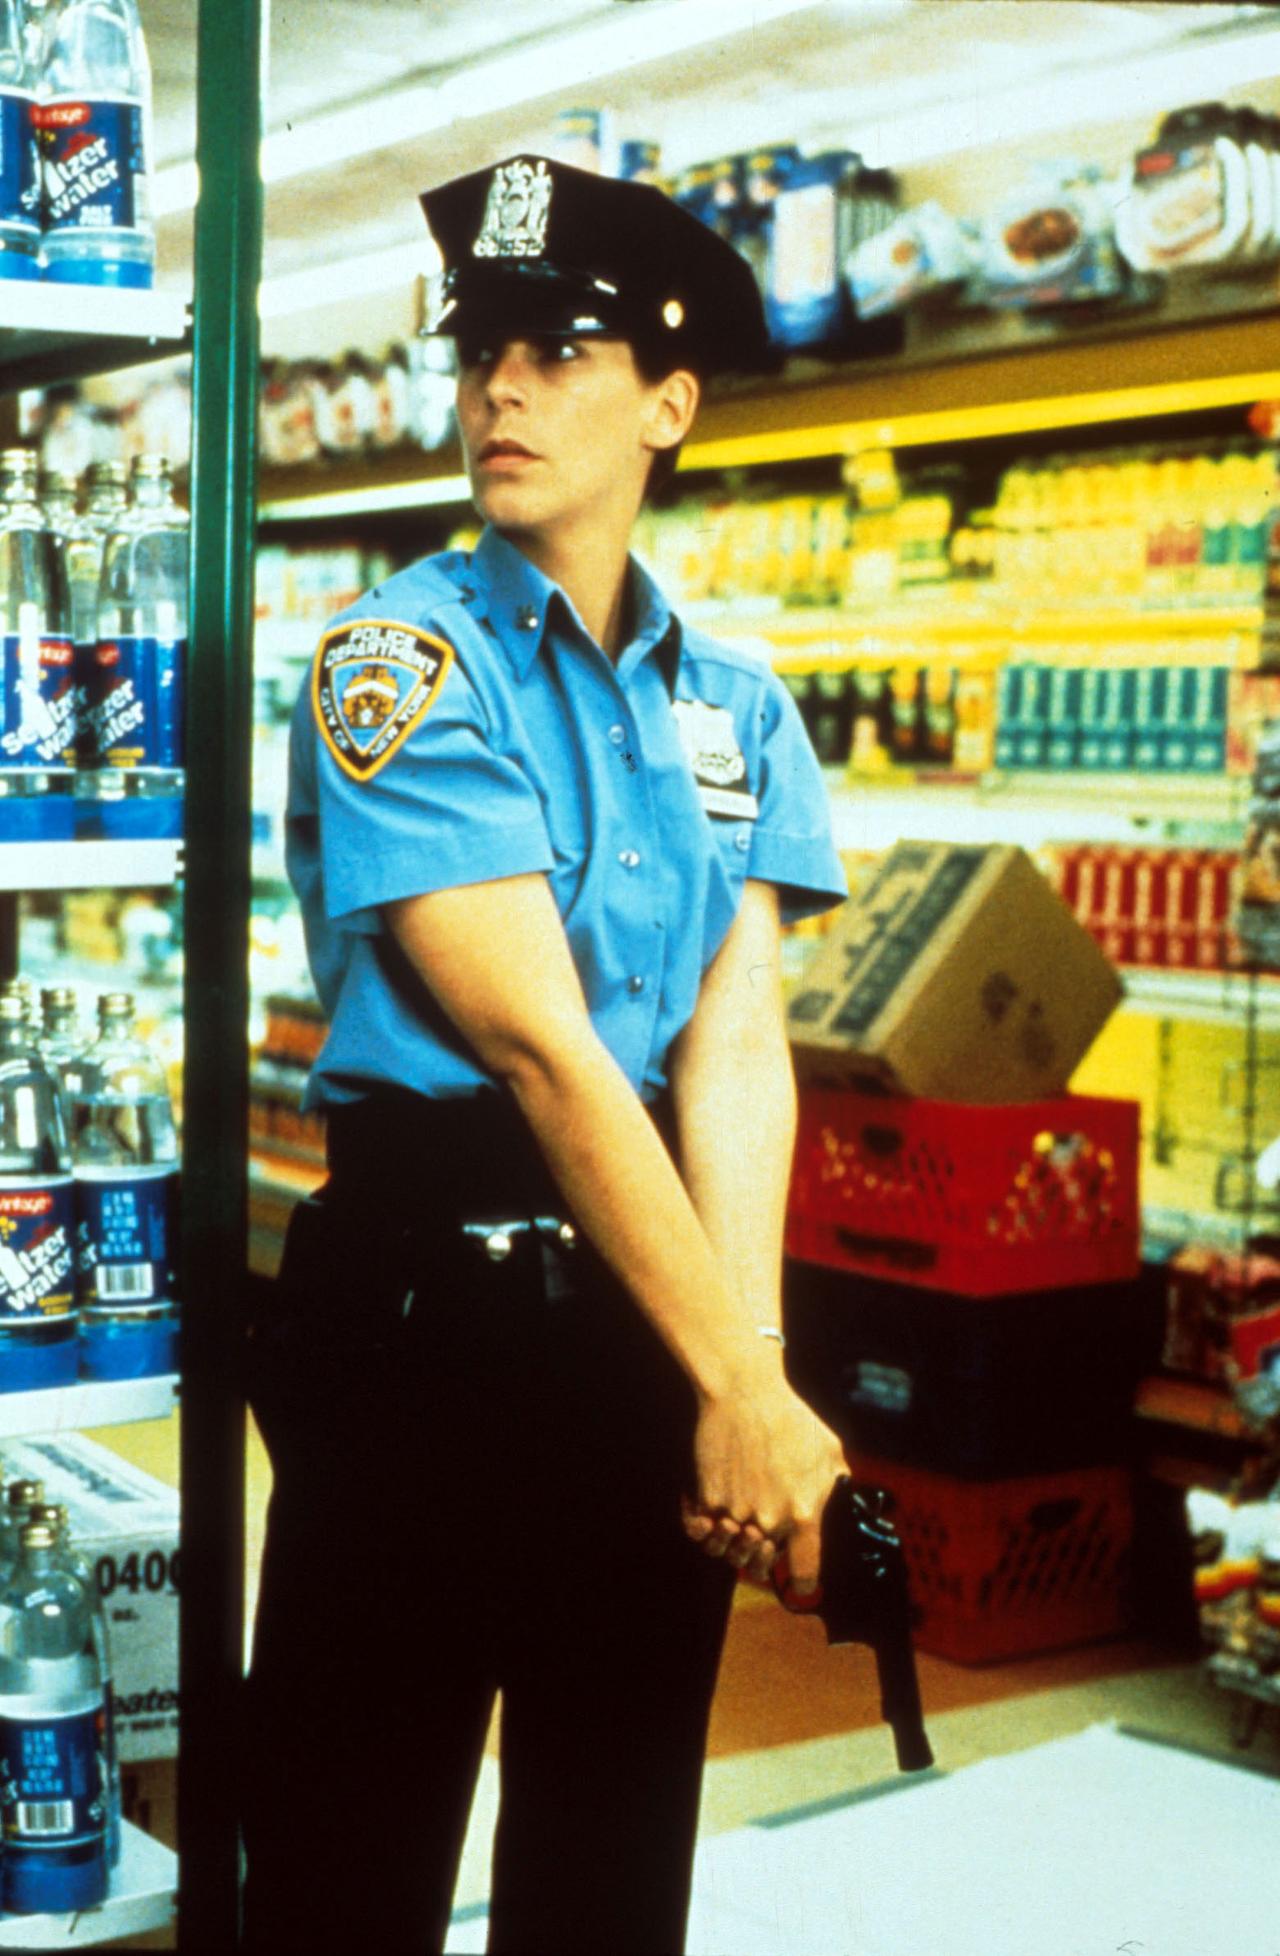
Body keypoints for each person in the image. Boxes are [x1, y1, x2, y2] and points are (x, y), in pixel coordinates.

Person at [242, 153, 850, 1956]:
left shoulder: (738, 704)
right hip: (421, 1317)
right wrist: (739, 1389)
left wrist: (753, 1382)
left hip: (642, 1322)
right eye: (482, 346)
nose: (499, 384)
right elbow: (550, 1058)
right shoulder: (400, 662)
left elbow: (737, 1053)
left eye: (562, 347)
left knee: (610, 1857)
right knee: (353, 1859)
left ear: (671, 402)